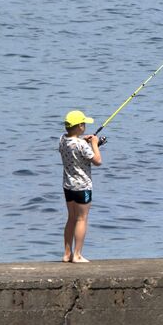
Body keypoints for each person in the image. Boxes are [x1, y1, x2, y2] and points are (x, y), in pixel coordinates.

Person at [59, 109, 102, 263]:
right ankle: (77, 255)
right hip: (82, 187)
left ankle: (66, 254)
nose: (85, 126)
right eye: (83, 124)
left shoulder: (62, 140)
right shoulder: (82, 146)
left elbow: (75, 148)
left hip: (68, 186)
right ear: (79, 127)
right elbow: (97, 161)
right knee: (82, 219)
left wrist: (84, 142)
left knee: (71, 218)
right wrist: (95, 144)